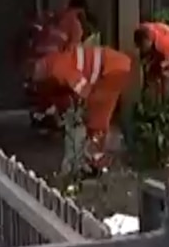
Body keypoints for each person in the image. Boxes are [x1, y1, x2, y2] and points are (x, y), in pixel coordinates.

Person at [31, 44, 132, 172]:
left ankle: (96, 159)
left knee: (97, 116)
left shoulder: (58, 69)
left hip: (111, 69)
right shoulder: (55, 63)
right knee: (98, 116)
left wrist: (83, 107)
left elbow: (81, 86)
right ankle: (96, 158)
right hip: (113, 67)